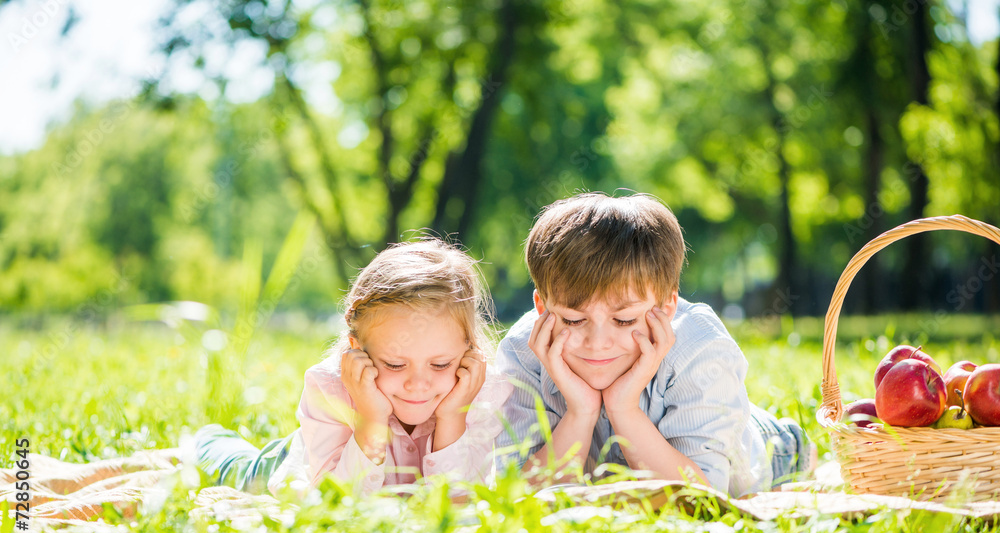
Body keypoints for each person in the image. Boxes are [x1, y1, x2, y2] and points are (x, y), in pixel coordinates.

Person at [495, 192, 813, 497]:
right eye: (574, 320)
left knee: (765, 443)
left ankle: (789, 441)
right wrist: (581, 411)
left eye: (625, 320)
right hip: (627, 465)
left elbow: (701, 499)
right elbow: (522, 496)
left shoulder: (699, 346)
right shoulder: (525, 352)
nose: (598, 344)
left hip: (756, 453)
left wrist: (624, 408)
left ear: (667, 307)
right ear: (542, 307)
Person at [188, 239, 512, 496]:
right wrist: (371, 419)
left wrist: (452, 418)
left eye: (440, 364)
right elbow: (338, 501)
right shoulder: (329, 388)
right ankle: (207, 439)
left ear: (468, 349)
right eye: (396, 364)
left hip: (323, 444)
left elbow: (461, 502)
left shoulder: (481, 391)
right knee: (235, 466)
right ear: (358, 349)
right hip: (297, 461)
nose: (418, 383)